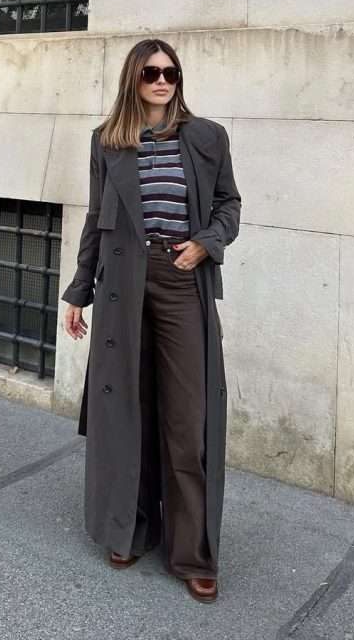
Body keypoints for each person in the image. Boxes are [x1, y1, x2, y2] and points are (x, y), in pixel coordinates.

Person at [60, 37, 242, 604]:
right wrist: (78, 291)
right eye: (151, 73)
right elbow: (96, 218)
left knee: (188, 419)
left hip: (181, 280)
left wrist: (206, 243)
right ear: (133, 80)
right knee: (126, 412)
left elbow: (229, 205)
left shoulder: (206, 137)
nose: (162, 81)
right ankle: (130, 530)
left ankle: (192, 554)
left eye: (171, 72)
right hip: (122, 284)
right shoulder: (108, 141)